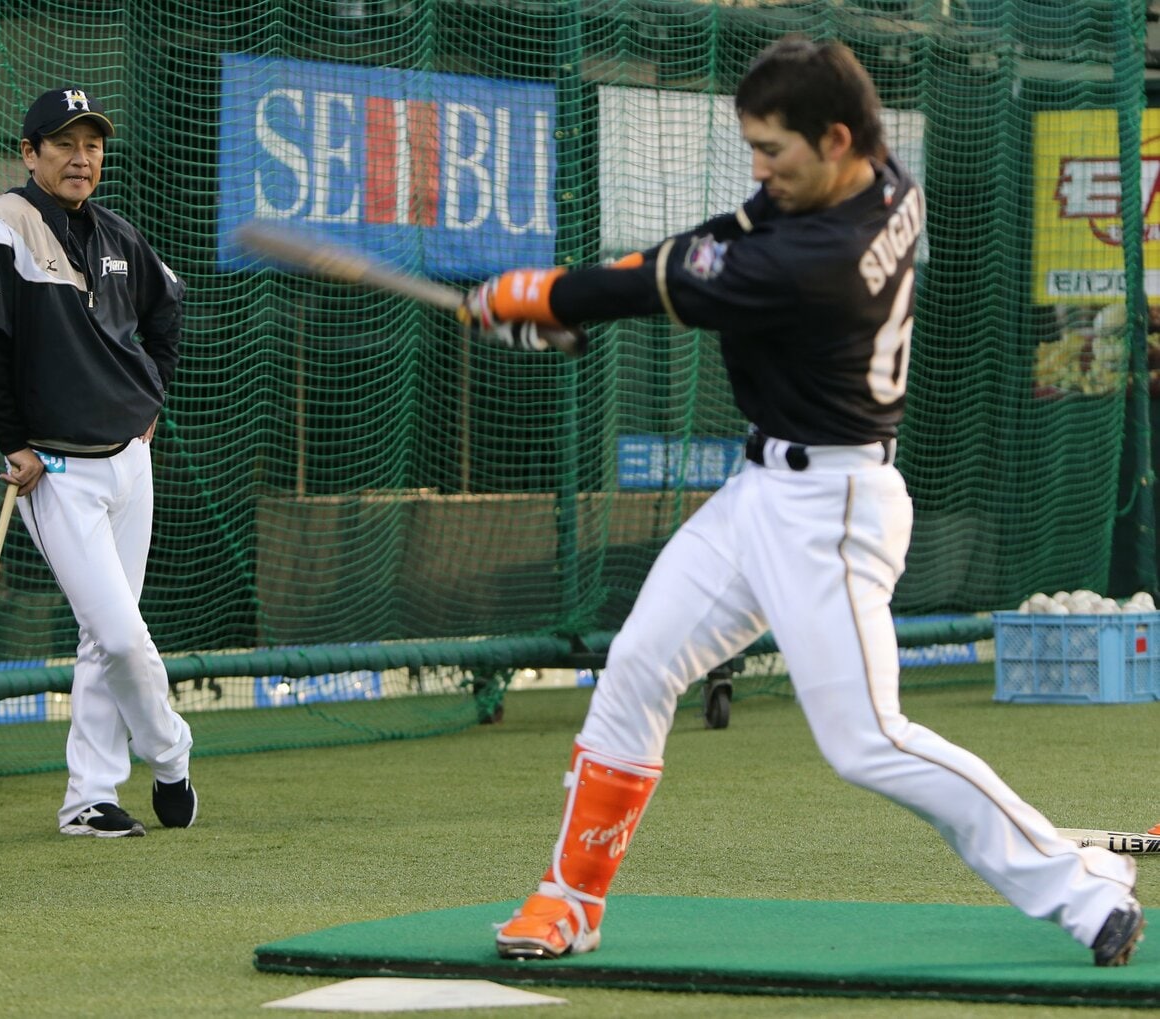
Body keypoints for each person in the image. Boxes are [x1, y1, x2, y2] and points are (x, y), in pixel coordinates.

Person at [462, 38, 1144, 966]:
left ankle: (1078, 882)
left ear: (834, 139)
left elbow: (681, 281)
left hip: (833, 507)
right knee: (638, 663)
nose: (760, 170)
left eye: (773, 150)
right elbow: (721, 238)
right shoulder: (878, 178)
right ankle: (571, 897)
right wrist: (568, 306)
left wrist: (545, 295)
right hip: (762, 494)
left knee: (867, 738)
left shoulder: (819, 256)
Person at [0, 87, 196, 837]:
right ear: (30, 153)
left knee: (103, 635)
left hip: (130, 458)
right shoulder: (3, 225)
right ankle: (172, 750)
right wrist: (11, 441)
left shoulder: (119, 235)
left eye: (91, 144)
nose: (80, 157)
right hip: (54, 469)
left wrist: (149, 397)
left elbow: (166, 309)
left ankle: (89, 797)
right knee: (120, 634)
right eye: (63, 143)